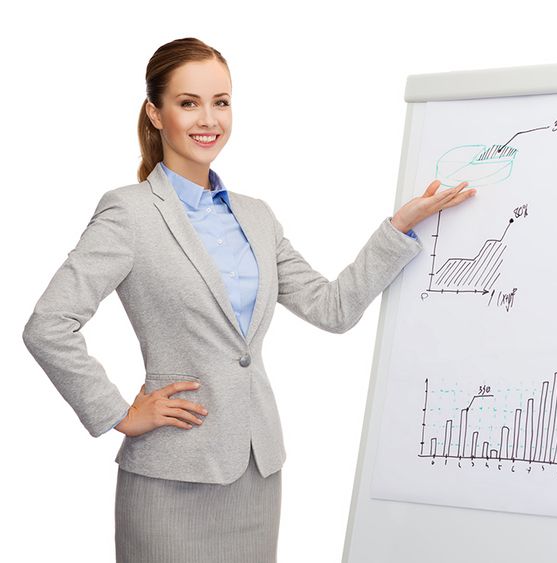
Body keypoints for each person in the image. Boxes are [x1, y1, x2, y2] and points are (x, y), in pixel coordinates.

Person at [21, 37, 476, 563]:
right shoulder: (129, 214)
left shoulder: (256, 216)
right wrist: (119, 412)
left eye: (221, 101)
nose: (207, 118)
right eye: (188, 102)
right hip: (172, 475)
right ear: (155, 113)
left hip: (257, 472)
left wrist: (399, 227)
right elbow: (49, 325)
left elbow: (332, 309)